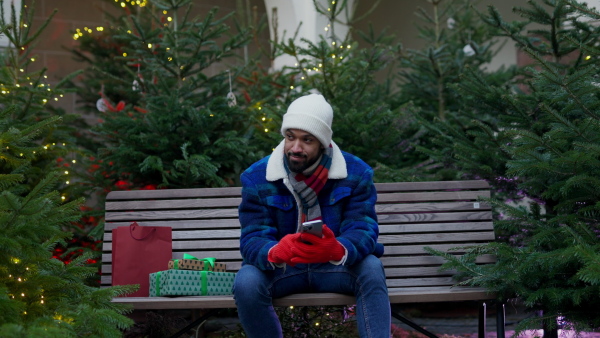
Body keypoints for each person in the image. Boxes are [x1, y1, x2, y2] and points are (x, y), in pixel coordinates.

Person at [233, 93, 391, 338]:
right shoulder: (257, 177)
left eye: (307, 140)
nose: (296, 148)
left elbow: (363, 228)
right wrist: (275, 252)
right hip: (284, 269)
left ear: (323, 142)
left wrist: (338, 249)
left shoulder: (356, 173)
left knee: (371, 267)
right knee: (246, 281)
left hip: (334, 268)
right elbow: (252, 238)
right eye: (290, 137)